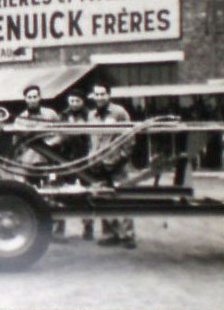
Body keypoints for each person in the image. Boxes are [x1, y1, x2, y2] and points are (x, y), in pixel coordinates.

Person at [88, 82, 137, 249]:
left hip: (117, 163)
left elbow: (129, 137)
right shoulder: (92, 115)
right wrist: (91, 158)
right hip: (98, 163)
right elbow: (91, 139)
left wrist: (122, 157)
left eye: (103, 94)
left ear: (109, 95)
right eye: (97, 94)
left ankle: (127, 235)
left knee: (122, 198)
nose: (100, 97)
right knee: (102, 198)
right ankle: (110, 233)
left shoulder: (119, 113)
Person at [16, 85, 64, 238]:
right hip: (29, 162)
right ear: (25, 99)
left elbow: (62, 133)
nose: (32, 100)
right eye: (29, 97)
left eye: (35, 96)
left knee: (53, 194)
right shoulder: (21, 118)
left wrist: (51, 144)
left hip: (49, 160)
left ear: (40, 97)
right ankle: (35, 230)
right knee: (29, 194)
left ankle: (57, 231)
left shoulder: (50, 115)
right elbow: (16, 141)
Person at [62, 88, 95, 241]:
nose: (74, 104)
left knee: (87, 193)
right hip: (65, 159)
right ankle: (58, 228)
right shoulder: (64, 116)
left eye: (77, 101)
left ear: (83, 102)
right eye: (72, 101)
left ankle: (88, 228)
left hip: (84, 158)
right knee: (60, 192)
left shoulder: (90, 116)